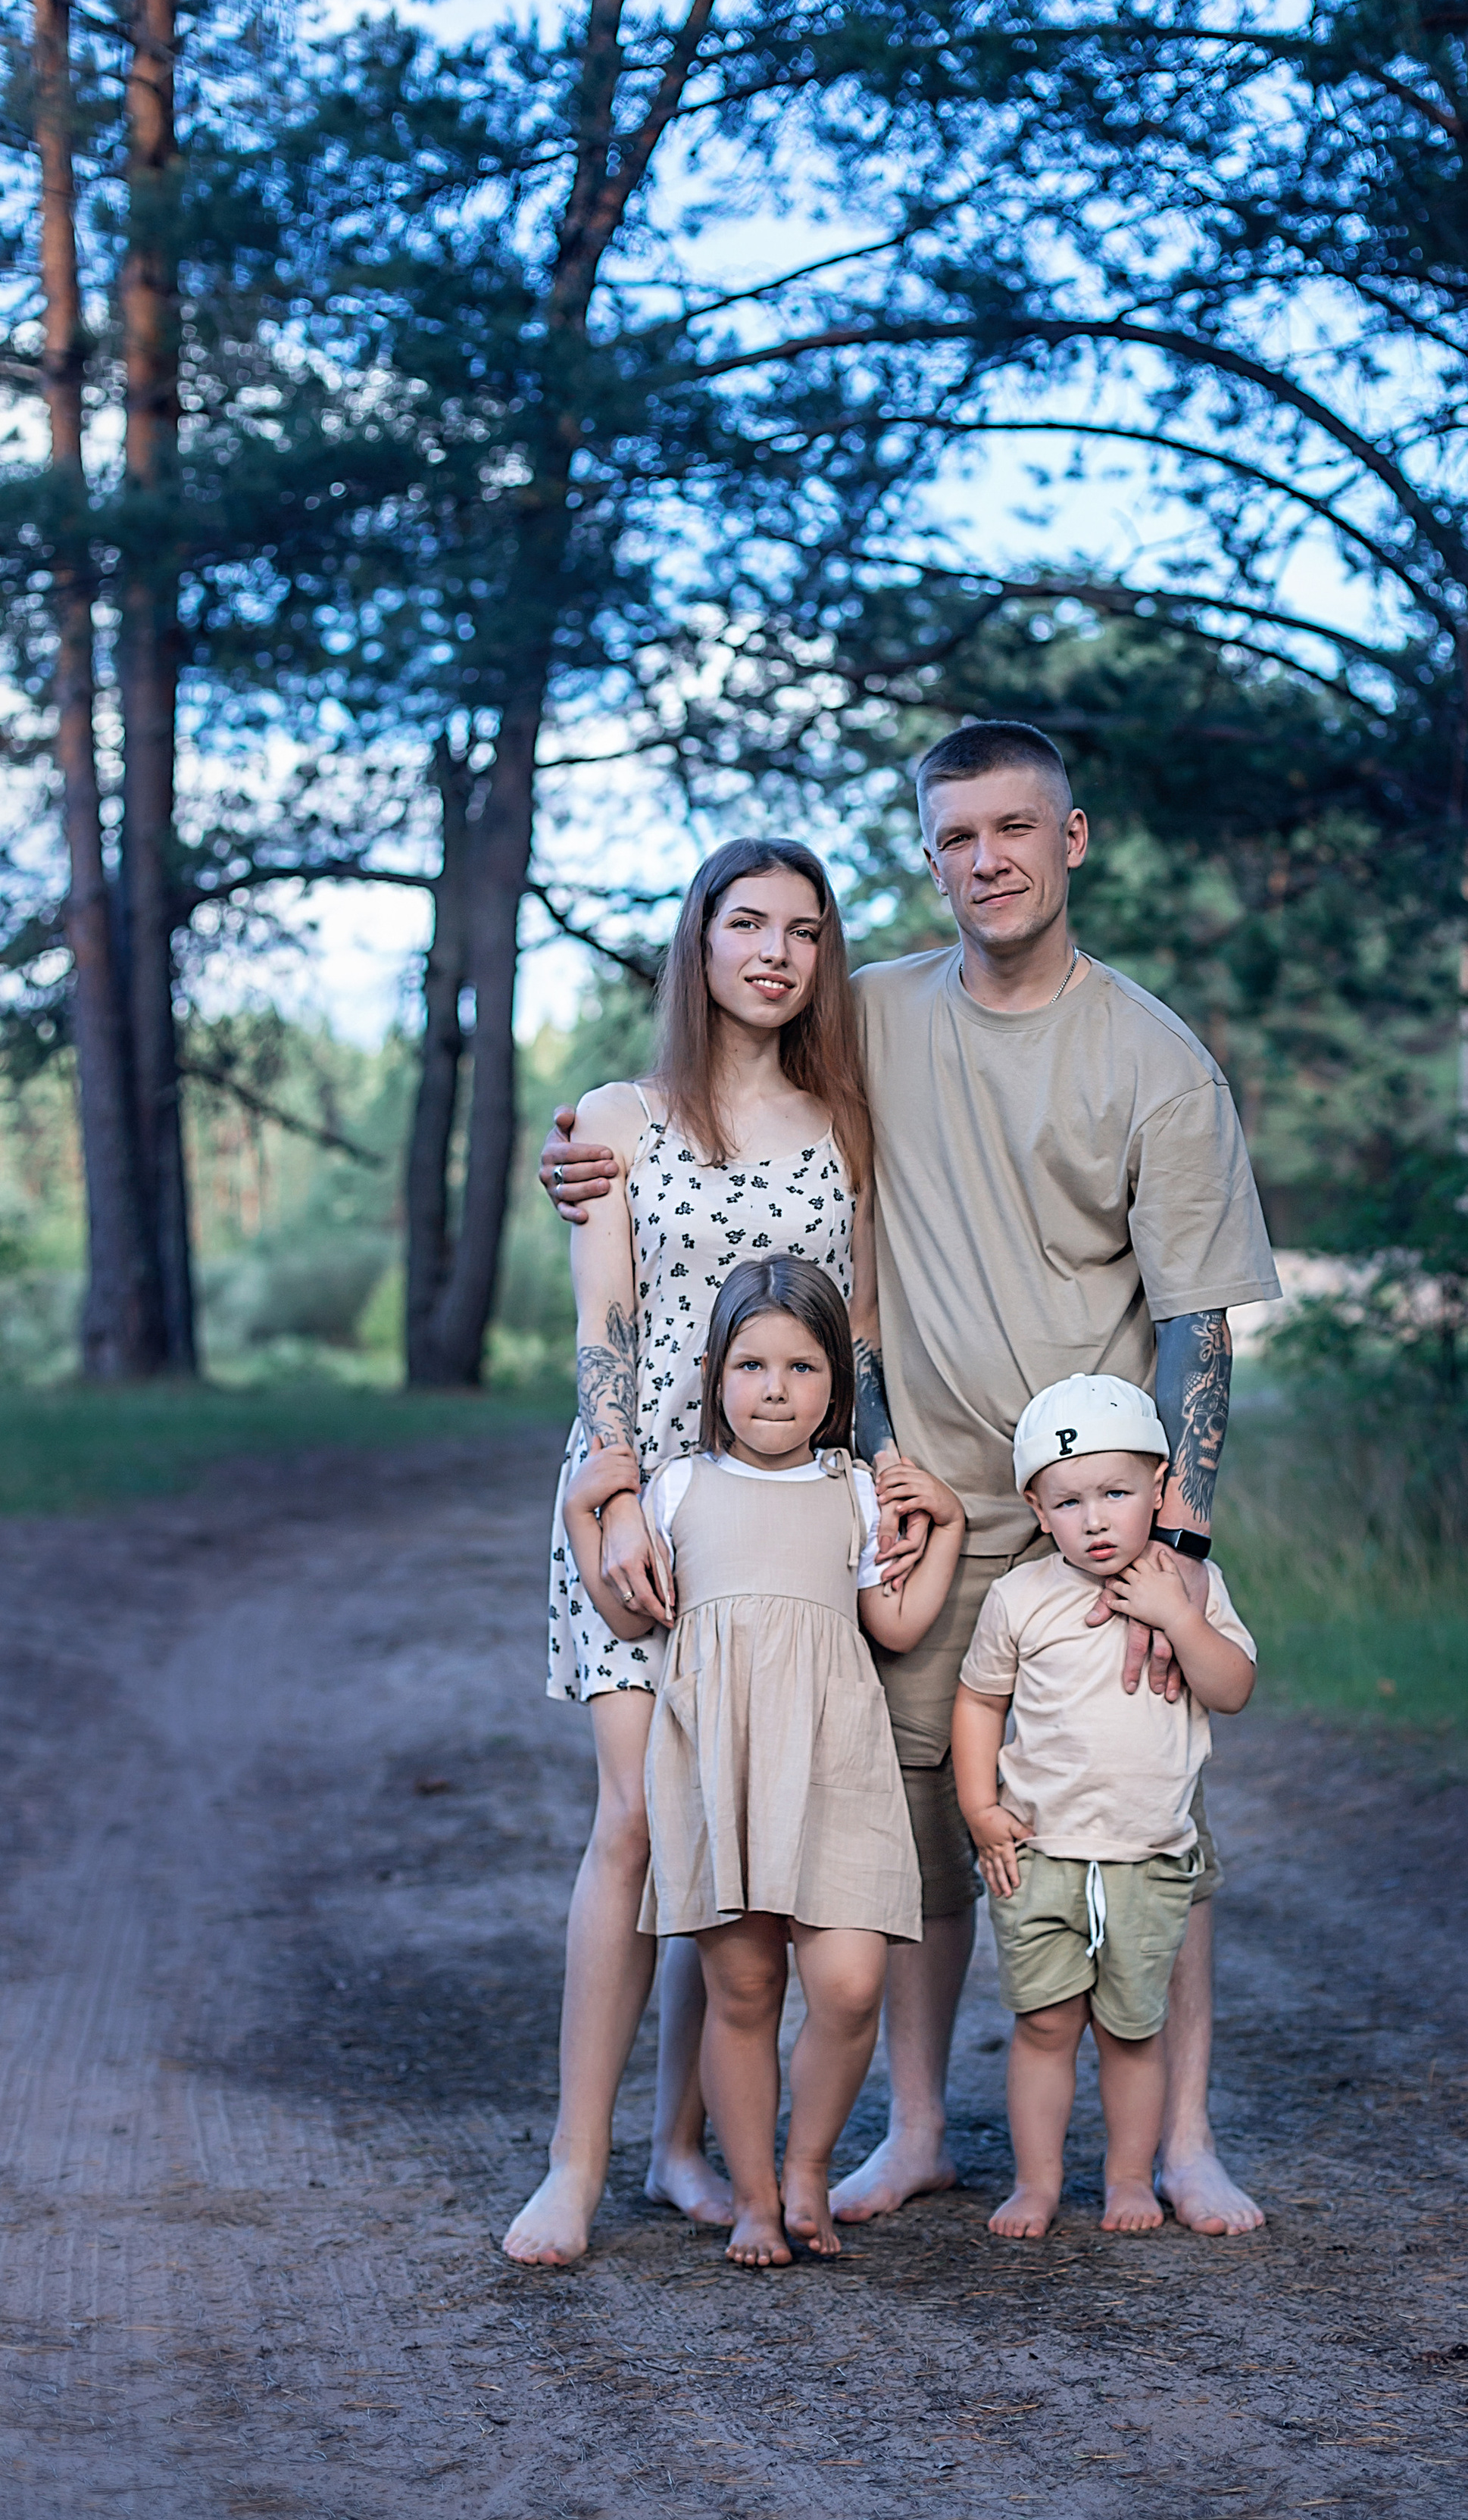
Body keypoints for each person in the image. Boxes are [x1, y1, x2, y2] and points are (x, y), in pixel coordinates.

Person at [539, 720, 1282, 2234]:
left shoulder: (1152, 1060)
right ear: (929, 856)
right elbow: (724, 1076)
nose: (985, 860)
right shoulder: (872, 1012)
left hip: (1091, 1512)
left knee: (1135, 1811)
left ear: (1068, 842)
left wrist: (1180, 1542)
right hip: (903, 1508)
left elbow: (1201, 1322)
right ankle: (925, 2129)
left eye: (1014, 829)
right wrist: (582, 1154)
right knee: (903, 1821)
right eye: (955, 838)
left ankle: (1181, 2139)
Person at [503, 835, 895, 2269]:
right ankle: (575, 2162)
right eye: (747, 924)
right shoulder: (617, 1117)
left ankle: (681, 2151)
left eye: (803, 929)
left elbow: (864, 1339)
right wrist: (606, 1503)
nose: (776, 952)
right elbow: (605, 1323)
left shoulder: (848, 1128)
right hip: (637, 1504)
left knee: (717, 1832)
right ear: (700, 942)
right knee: (635, 1822)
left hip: (782, 1516)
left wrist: (886, 1471)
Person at [565, 1257, 964, 2267]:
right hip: (723, 1775)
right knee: (741, 1991)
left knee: (847, 1985)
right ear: (712, 1375)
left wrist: (950, 1526)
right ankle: (754, 2198)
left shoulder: (858, 1495)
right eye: (750, 1365)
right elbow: (626, 1613)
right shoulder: (680, 1488)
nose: (774, 1387)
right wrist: (585, 1516)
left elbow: (900, 1623)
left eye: (800, 1365)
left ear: (838, 1383)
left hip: (835, 1771)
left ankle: (806, 2170)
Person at [952, 1373, 1257, 2239]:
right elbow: (978, 1702)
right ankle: (1037, 2183)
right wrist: (980, 1806)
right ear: (1037, 1510)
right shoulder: (1020, 1599)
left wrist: (1180, 1619)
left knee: (1131, 2028)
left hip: (1148, 1855)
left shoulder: (1193, 1587)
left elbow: (1231, 1688)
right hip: (1041, 1852)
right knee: (1044, 2024)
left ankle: (1129, 2177)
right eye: (1069, 1502)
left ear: (1159, 1488)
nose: (1094, 1520)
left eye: (1116, 1494)